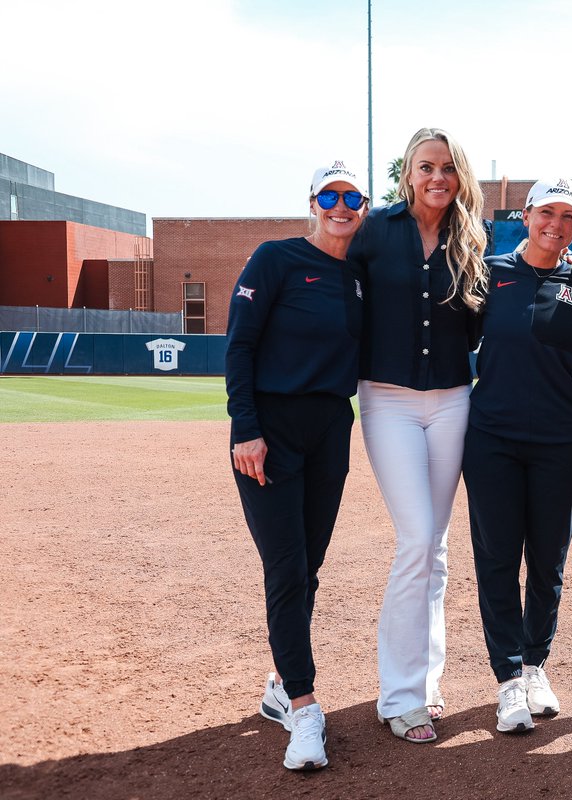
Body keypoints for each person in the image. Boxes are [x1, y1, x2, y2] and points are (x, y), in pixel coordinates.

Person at [348, 127, 490, 744]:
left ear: (460, 177)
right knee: (415, 540)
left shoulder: (470, 237)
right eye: (425, 167)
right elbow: (336, 289)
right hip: (389, 401)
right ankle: (399, 695)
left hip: (453, 399)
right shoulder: (376, 230)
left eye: (448, 168)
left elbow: (483, 318)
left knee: (437, 547)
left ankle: (427, 682)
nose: (437, 178)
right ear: (408, 174)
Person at [226, 160, 369, 771]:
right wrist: (246, 429)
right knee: (286, 567)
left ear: (364, 206)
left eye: (353, 197)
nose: (341, 206)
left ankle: (280, 682)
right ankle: (305, 710)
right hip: (272, 432)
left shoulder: (362, 275)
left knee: (307, 568)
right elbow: (240, 343)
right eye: (330, 195)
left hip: (331, 427)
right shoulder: (275, 258)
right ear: (312, 201)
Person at [462, 178, 572, 734]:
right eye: (547, 211)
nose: (557, 223)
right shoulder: (489, 273)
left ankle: (533, 665)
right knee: (498, 558)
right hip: (492, 438)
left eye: (569, 215)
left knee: (548, 562)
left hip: (559, 439)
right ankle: (506, 680)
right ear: (525, 215)